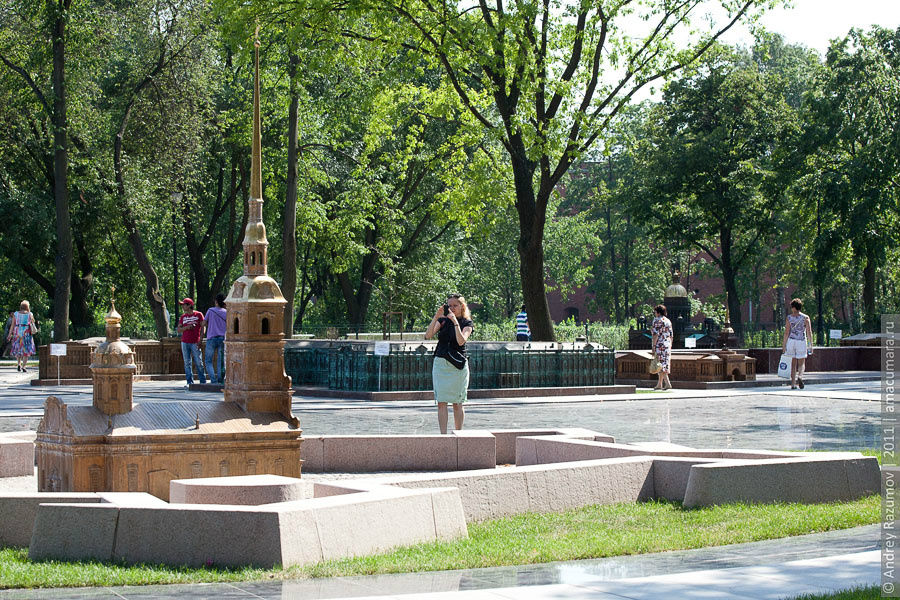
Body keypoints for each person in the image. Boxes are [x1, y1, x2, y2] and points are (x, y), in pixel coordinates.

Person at [425, 293, 474, 434]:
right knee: (441, 402)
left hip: (457, 365)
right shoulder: (442, 320)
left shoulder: (467, 323)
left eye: (455, 305)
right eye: (449, 305)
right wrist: (436, 316)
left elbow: (460, 341)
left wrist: (455, 322)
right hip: (441, 363)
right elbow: (428, 335)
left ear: (462, 306)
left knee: (457, 403)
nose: (452, 308)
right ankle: (443, 435)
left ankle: (458, 433)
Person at [782, 298, 814, 390]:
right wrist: (810, 345)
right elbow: (809, 332)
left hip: (791, 341)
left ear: (793, 307)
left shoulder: (789, 318)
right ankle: (800, 376)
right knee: (801, 363)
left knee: (793, 364)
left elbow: (786, 333)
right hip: (801, 341)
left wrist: (784, 345)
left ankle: (793, 384)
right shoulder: (806, 318)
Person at [176, 298, 206, 387]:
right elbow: (178, 330)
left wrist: (201, 339)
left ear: (189, 305)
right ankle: (189, 382)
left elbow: (203, 327)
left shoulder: (198, 315)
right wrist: (187, 327)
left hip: (195, 342)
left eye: (184, 304)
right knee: (187, 363)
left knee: (198, 362)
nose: (182, 306)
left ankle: (203, 382)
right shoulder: (183, 317)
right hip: (185, 342)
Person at [203, 293, 227, 385]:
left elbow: (204, 323)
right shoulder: (227, 312)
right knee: (220, 361)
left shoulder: (210, 310)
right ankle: (220, 380)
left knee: (208, 360)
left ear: (216, 301)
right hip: (222, 338)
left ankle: (213, 380)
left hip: (211, 338)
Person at [7, 301, 37, 372]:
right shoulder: (30, 314)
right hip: (26, 334)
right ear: (27, 307)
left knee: (18, 349)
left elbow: (12, 325)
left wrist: (9, 335)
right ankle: (24, 366)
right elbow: (33, 322)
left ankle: (18, 364)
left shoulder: (16, 314)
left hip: (17, 333)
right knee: (26, 350)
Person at [650, 304, 673, 390]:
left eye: (655, 312)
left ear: (658, 312)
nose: (654, 313)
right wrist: (670, 345)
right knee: (664, 364)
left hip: (660, 344)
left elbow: (655, 334)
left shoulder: (657, 321)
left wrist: (653, 346)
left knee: (659, 364)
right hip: (667, 344)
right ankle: (664, 384)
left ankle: (662, 384)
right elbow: (671, 335)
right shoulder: (668, 321)